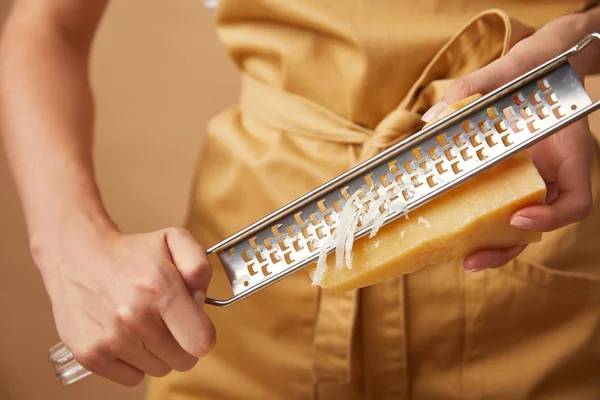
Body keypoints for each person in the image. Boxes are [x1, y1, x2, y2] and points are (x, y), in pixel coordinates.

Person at [1, 0, 600, 398]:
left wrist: (580, 44)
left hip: (532, 268)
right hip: (251, 318)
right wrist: (67, 244)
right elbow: (45, 25)